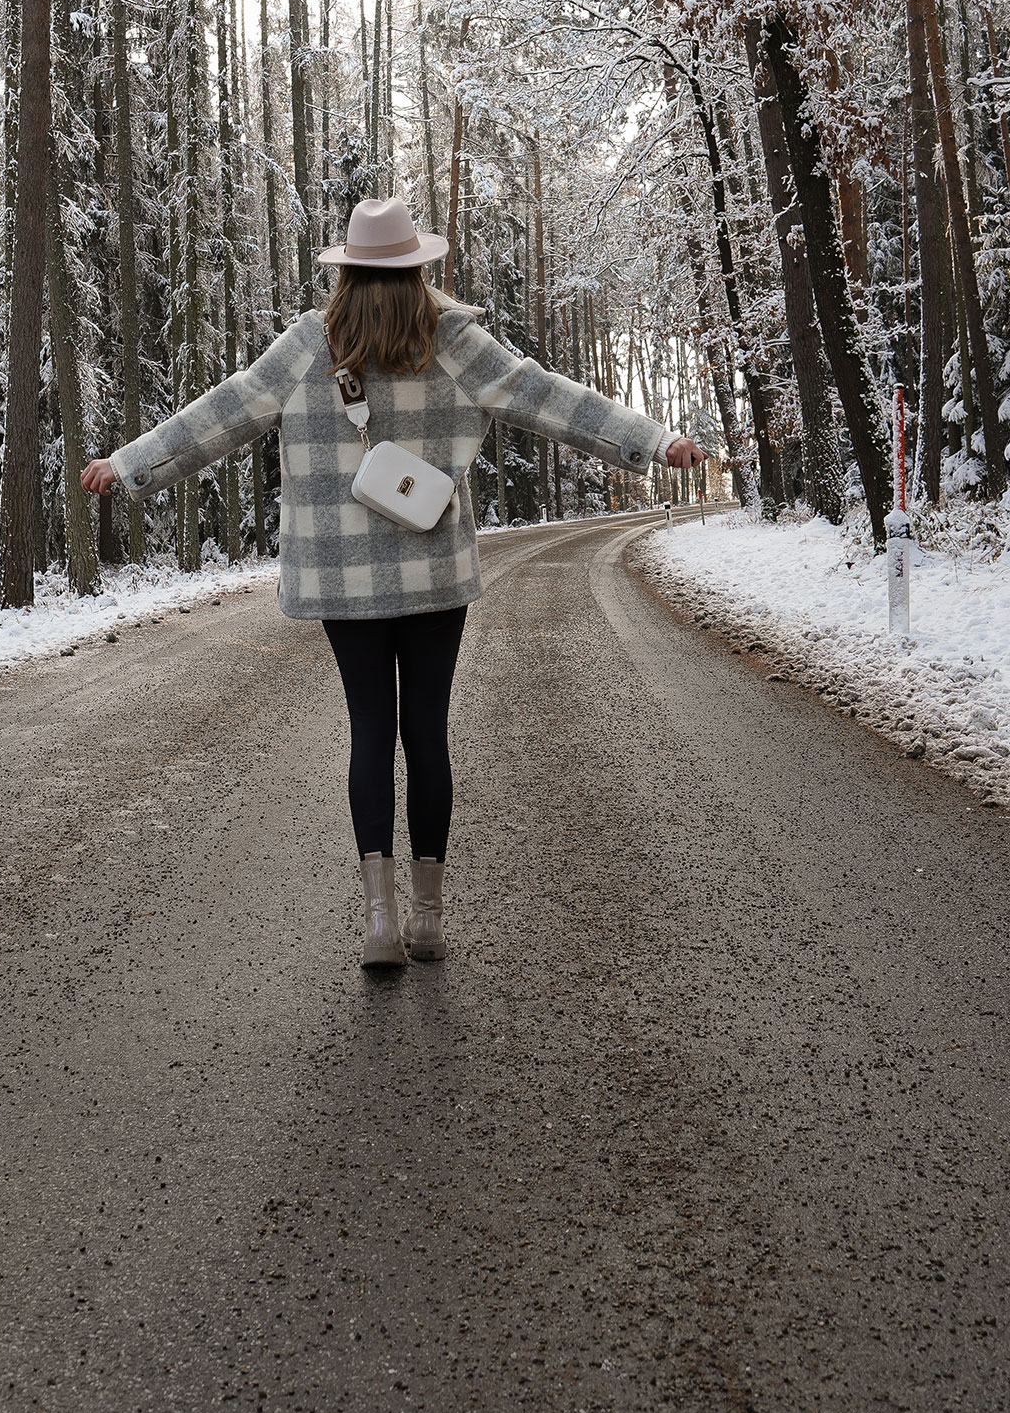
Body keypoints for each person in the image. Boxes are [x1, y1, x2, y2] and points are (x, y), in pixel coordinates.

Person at [82, 195, 704, 970]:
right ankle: (429, 921)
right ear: (419, 268)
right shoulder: (454, 343)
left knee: (371, 733)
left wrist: (128, 464)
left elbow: (223, 413)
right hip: (433, 568)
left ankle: (378, 924)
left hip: (341, 577)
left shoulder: (309, 343)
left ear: (343, 272)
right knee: (427, 735)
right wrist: (655, 441)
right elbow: (548, 399)